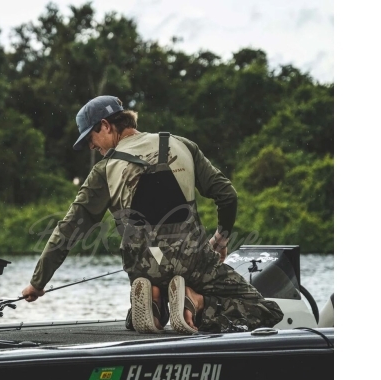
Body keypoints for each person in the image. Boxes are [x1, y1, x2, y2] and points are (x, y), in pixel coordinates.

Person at [22, 95, 283, 334]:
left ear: (105, 125)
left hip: (143, 266)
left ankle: (155, 298)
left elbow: (69, 228)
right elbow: (227, 195)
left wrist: (38, 283)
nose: (91, 146)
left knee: (136, 312)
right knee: (266, 310)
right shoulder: (183, 145)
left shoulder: (104, 170)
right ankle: (198, 302)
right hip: (194, 264)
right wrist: (221, 238)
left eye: (90, 138)